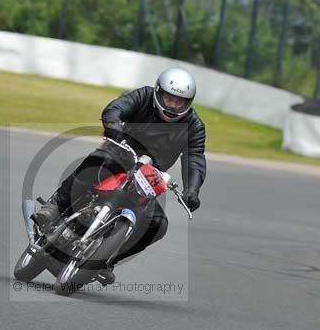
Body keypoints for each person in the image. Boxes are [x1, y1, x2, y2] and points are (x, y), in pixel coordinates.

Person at [33, 67, 206, 284]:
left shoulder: (194, 126)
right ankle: (55, 206)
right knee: (98, 161)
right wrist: (115, 128)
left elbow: (195, 158)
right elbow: (116, 108)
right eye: (169, 99)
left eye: (179, 102)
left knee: (157, 224)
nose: (172, 106)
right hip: (120, 153)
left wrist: (192, 189)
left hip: (148, 176)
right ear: (158, 92)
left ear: (188, 103)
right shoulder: (143, 96)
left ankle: (106, 261)